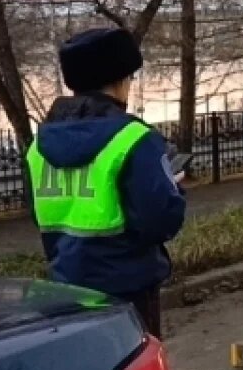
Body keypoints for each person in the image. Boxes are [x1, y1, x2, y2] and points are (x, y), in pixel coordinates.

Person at [25, 28, 186, 338]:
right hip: (128, 293)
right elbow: (162, 220)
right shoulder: (135, 138)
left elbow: (39, 214)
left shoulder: (38, 145)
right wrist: (173, 189)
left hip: (65, 290)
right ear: (121, 79)